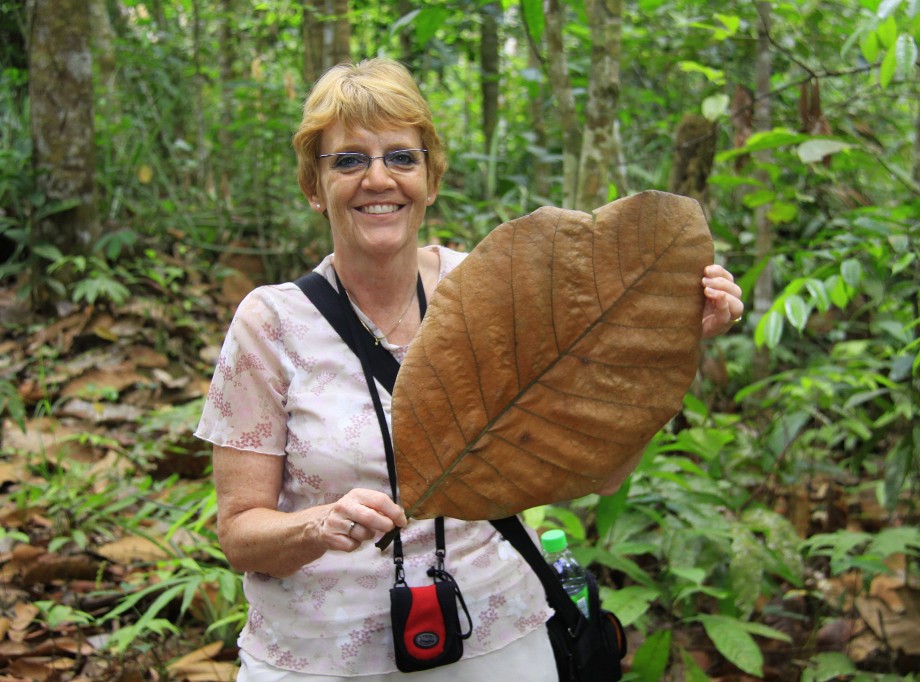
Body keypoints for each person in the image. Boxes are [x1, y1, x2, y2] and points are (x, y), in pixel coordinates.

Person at [194, 58, 744, 681]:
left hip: (496, 635)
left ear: (430, 180)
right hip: (318, 655)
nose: (379, 178)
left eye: (402, 157)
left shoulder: (490, 286)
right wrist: (321, 525)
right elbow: (240, 536)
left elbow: (601, 473)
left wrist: (660, 347)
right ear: (314, 187)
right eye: (349, 160)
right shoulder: (271, 323)